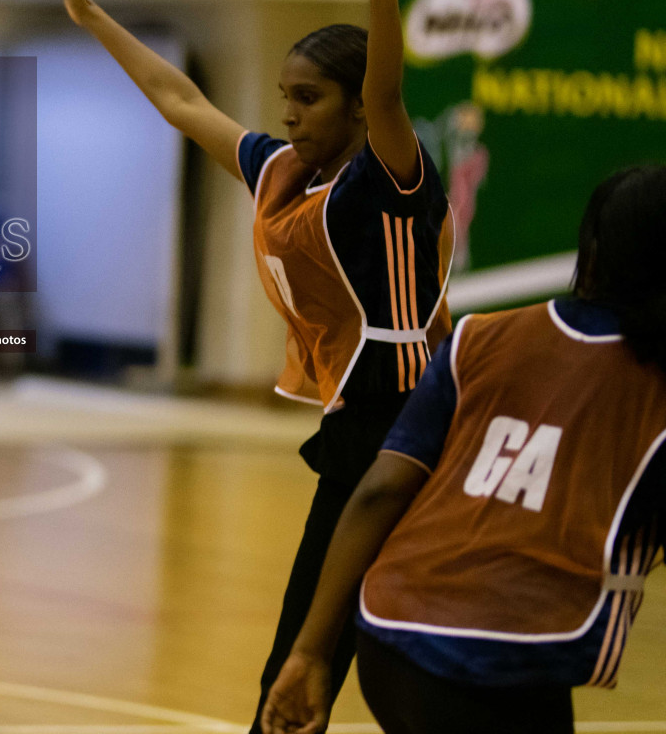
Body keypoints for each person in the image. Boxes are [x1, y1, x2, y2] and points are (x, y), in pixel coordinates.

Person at [52, 0, 449, 732]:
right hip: (360, 415)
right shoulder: (282, 169)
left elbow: (388, 97)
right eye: (284, 94)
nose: (288, 111)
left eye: (307, 98)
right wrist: (91, 17)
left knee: (326, 637)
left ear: (350, 104)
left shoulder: (389, 181)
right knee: (329, 631)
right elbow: (180, 101)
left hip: (413, 410)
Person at [262, 165, 666, 734]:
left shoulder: (477, 337)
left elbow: (379, 492)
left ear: (592, 248)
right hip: (497, 655)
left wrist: (309, 650)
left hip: (392, 632)